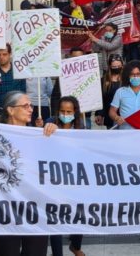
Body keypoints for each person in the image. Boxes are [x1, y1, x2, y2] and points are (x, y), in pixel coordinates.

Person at [0, 91, 57, 256]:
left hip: (33, 208)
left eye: (31, 105)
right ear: (10, 110)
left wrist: (54, 131)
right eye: (25, 105)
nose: (30, 109)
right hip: (4, 209)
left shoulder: (38, 135)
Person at [46, 96, 85, 256]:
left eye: (69, 111)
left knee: (79, 215)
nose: (65, 114)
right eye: (62, 111)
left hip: (75, 179)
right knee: (55, 218)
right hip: (54, 179)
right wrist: (45, 127)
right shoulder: (51, 123)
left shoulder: (81, 128)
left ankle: (75, 246)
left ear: (75, 112)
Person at [109, 60, 140, 130]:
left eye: (138, 74)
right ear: (128, 76)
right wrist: (117, 118)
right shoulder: (120, 91)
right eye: (132, 74)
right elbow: (112, 111)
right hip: (125, 132)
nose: (135, 77)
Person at [95, 54, 124, 129]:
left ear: (122, 66)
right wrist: (99, 114)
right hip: (110, 116)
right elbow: (101, 99)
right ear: (110, 66)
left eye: (119, 66)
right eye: (114, 67)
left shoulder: (126, 80)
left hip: (124, 115)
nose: (117, 68)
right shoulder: (103, 81)